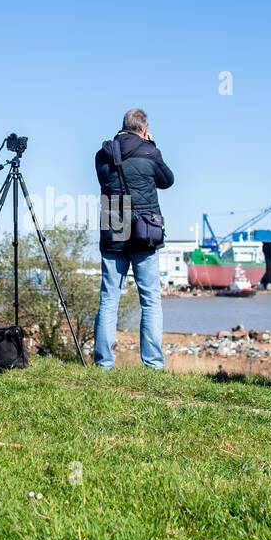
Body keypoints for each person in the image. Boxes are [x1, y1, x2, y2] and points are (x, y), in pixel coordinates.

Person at [93, 108, 174, 370]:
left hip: (114, 225)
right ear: (143, 128)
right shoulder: (149, 151)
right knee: (150, 300)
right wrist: (152, 145)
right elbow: (167, 181)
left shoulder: (103, 154)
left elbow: (104, 181)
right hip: (143, 230)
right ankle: (152, 364)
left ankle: (104, 363)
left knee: (109, 298)